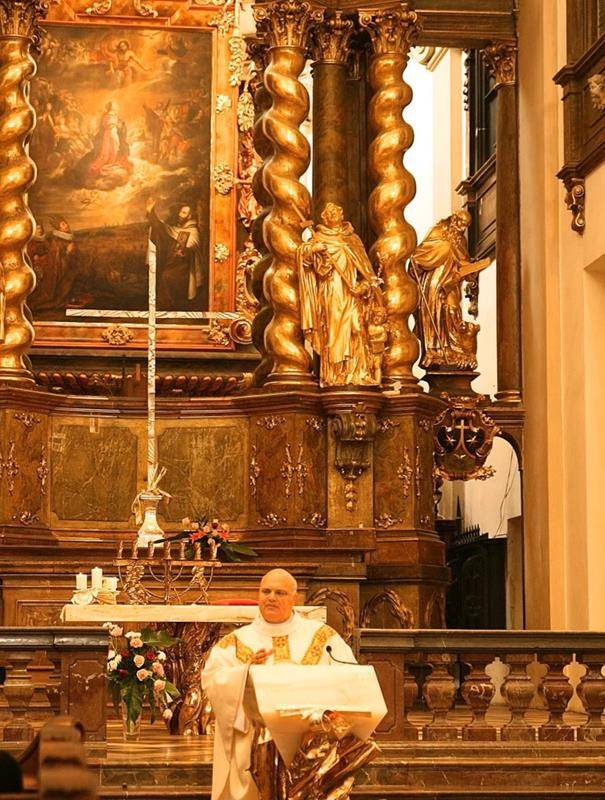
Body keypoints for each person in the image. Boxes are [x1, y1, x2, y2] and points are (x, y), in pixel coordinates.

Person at [202, 569, 356, 800]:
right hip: (257, 739)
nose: (271, 597)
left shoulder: (323, 637)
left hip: (311, 739)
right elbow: (213, 679)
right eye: (266, 591)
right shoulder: (236, 641)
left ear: (294, 598)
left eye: (280, 592)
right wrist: (245, 671)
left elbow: (350, 677)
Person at [298, 203, 383, 387]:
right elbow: (305, 261)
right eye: (330, 213)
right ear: (325, 218)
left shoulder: (352, 238)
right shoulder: (318, 238)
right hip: (331, 291)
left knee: (357, 328)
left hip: (352, 292)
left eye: (337, 212)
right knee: (334, 332)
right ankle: (335, 376)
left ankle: (358, 372)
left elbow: (366, 272)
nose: (334, 215)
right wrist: (313, 250)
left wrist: (363, 287)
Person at [409, 209, 491, 371]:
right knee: (434, 312)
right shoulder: (438, 232)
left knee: (452, 311)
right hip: (434, 282)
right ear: (454, 219)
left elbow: (463, 262)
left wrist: (473, 271)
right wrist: (417, 261)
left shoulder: (461, 240)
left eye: (465, 225)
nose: (462, 228)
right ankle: (435, 350)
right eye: (461, 223)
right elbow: (420, 255)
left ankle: (453, 348)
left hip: (452, 283)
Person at [146, 199, 206, 310]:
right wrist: (151, 213)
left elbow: (192, 244)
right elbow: (162, 228)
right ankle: (164, 306)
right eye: (180, 212)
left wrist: (185, 249)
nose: (180, 215)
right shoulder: (179, 229)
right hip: (176, 263)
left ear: (189, 216)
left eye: (184, 213)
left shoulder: (193, 230)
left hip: (186, 267)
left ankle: (169, 305)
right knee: (164, 275)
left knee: (167, 277)